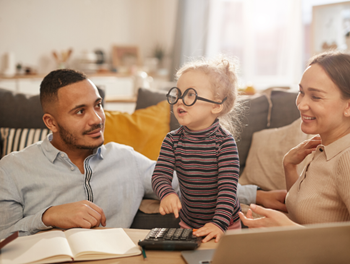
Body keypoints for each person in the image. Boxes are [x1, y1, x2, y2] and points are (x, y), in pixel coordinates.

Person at [0, 68, 286, 240]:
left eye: (98, 105)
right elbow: (3, 235)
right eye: (80, 111)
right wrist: (47, 216)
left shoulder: (126, 159)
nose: (97, 119)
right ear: (51, 122)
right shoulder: (13, 168)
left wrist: (256, 195)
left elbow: (192, 184)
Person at [239, 51, 350, 264]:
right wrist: (289, 166)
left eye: (316, 96)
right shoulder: (324, 148)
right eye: (301, 92)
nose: (301, 104)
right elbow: (307, 211)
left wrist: (288, 230)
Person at [152, 57, 245, 243]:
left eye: (190, 95)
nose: (179, 101)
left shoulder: (224, 143)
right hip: (189, 223)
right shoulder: (172, 141)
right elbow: (159, 175)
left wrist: (219, 224)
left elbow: (228, 189)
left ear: (216, 105)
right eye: (177, 94)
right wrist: (167, 193)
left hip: (226, 226)